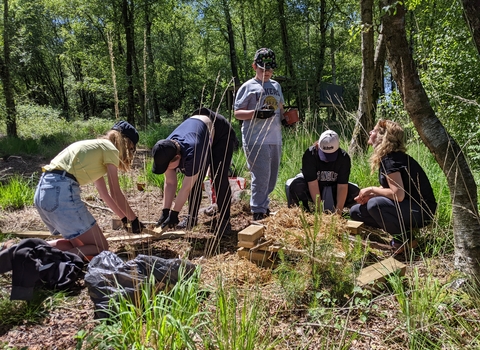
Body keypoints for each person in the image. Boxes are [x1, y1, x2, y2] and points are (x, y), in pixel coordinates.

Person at [34, 121, 144, 260]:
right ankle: (46, 259)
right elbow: (115, 193)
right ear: (126, 143)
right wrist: (133, 220)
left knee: (78, 245)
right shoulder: (110, 149)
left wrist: (124, 218)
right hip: (61, 192)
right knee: (101, 248)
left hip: (44, 192)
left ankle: (23, 250)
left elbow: (104, 194)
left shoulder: (95, 148)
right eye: (131, 149)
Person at [349, 119, 437, 248]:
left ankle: (406, 240)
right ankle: (403, 229)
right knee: (356, 212)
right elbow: (392, 189)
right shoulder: (391, 157)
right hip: (408, 206)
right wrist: (371, 195)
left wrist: (371, 190)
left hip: (422, 211)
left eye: (373, 131)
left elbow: (398, 195)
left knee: (375, 205)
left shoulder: (390, 160)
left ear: (382, 137)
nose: (370, 132)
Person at [152, 107, 239, 237]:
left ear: (178, 157)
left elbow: (186, 188)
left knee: (218, 176)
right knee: (195, 179)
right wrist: (165, 211)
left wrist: (175, 214)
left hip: (220, 133)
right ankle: (191, 218)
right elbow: (170, 183)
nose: (168, 169)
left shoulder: (193, 150)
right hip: (201, 132)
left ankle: (225, 220)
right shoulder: (165, 148)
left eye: (168, 166)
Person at [233, 47, 286, 221]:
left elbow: (280, 109)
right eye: (263, 68)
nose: (267, 72)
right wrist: (255, 113)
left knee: (271, 176)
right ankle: (258, 210)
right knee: (261, 174)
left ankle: (263, 204)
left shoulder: (276, 86)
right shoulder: (248, 87)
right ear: (254, 66)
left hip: (275, 137)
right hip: (255, 137)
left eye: (270, 69)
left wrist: (287, 119)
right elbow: (237, 113)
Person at [286, 130, 359, 214]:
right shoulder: (310, 155)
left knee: (355, 193)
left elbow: (342, 186)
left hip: (333, 188)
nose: (327, 160)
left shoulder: (344, 157)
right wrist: (319, 211)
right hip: (314, 188)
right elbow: (312, 183)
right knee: (296, 185)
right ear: (317, 146)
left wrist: (338, 211)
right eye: (324, 154)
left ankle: (343, 212)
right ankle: (305, 213)